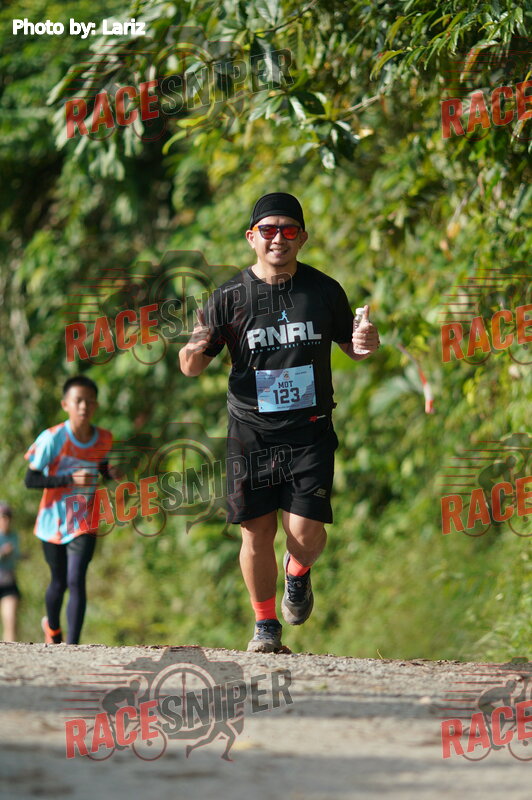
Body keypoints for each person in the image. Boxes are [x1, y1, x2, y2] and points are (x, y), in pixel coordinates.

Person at [179, 192, 380, 652]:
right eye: (268, 230)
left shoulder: (324, 290)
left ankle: (298, 572)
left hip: (309, 430)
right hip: (250, 432)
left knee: (306, 534)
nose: (278, 239)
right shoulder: (228, 298)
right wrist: (192, 347)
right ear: (251, 237)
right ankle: (265, 625)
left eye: (288, 230)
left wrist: (366, 341)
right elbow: (192, 366)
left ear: (302, 237)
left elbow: (354, 348)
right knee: (256, 532)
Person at [24, 375, 118, 644]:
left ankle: (73, 646)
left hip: (84, 519)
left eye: (89, 401)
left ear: (96, 405)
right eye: (78, 401)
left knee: (77, 579)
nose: (84, 406)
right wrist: (69, 479)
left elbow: (101, 466)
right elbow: (30, 480)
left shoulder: (103, 438)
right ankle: (53, 629)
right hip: (52, 522)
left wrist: (111, 474)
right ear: (66, 404)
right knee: (59, 581)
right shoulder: (53, 438)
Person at [0, 502, 21, 641]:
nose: (6, 520)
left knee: (10, 620)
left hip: (8, 582)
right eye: (3, 516)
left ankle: (9, 650)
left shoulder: (14, 536)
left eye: (8, 516)